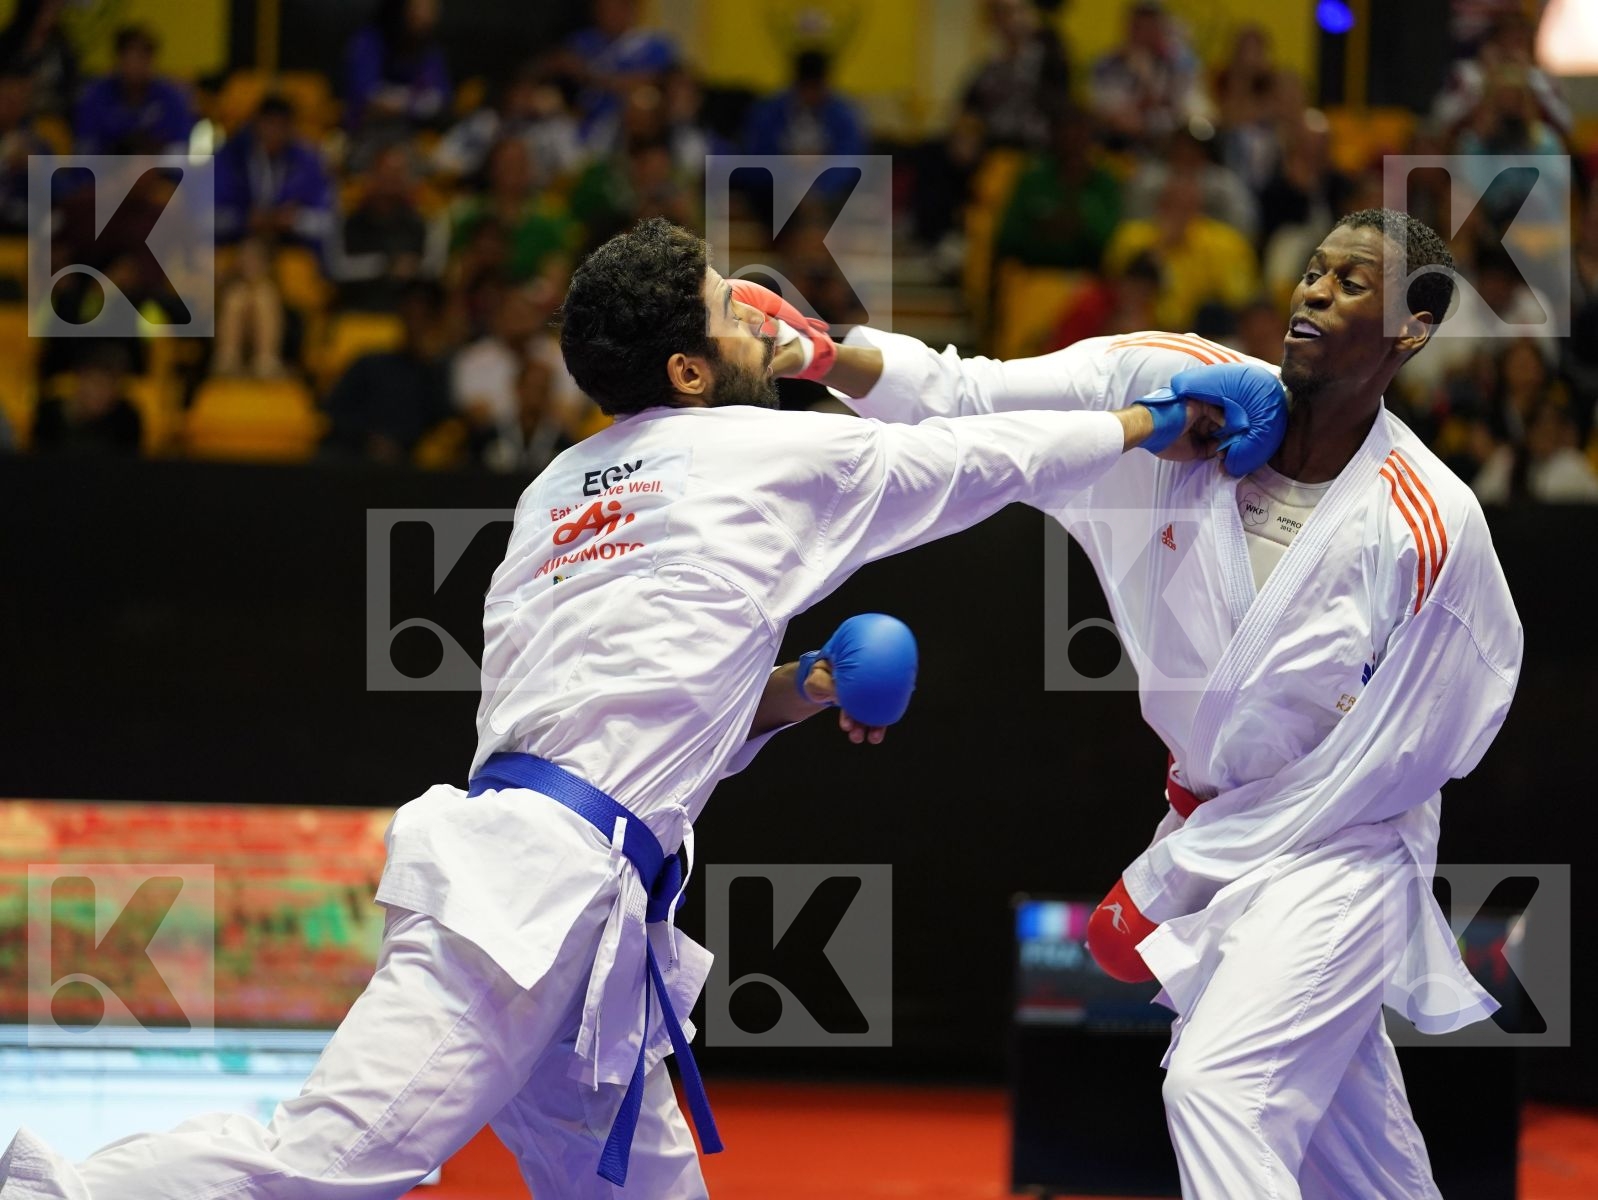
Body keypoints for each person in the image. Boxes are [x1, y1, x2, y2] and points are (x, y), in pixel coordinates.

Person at [0, 216, 1252, 1198]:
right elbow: (988, 462)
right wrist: (1154, 422)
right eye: (733, 310)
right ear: (689, 368)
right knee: (327, 1160)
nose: (766, 319)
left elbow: (641, 711)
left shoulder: (554, 492)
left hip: (575, 900)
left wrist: (806, 689)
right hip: (533, 901)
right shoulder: (765, 454)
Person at [829, 207, 1522, 1197]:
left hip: (1341, 852)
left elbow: (1392, 769)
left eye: (1351, 283)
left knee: (1219, 1090)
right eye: (1312, 270)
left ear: (1413, 327)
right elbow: (963, 394)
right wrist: (812, 351)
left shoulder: (1427, 525)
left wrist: (1176, 872)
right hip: (1214, 825)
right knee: (1353, 1157)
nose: (1314, 291)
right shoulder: (1171, 395)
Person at [72, 25, 194, 155]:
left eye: (143, 57)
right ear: (118, 59)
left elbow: (180, 153)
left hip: (156, 172)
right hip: (107, 172)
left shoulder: (171, 98)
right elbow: (85, 153)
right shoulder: (95, 97)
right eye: (130, 57)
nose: (136, 66)